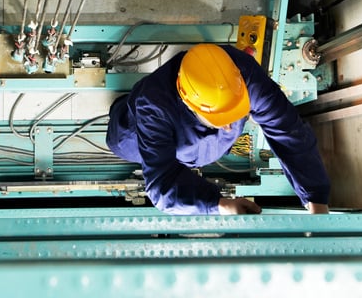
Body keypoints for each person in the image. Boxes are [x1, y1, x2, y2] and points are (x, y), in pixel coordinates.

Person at [107, 43, 330, 215]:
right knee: (120, 138)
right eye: (222, 119)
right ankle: (122, 106)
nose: (230, 126)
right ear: (188, 102)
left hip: (196, 143)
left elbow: (288, 130)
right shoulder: (153, 104)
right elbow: (161, 184)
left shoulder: (242, 74)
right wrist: (217, 204)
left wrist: (316, 198)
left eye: (235, 113)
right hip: (134, 134)